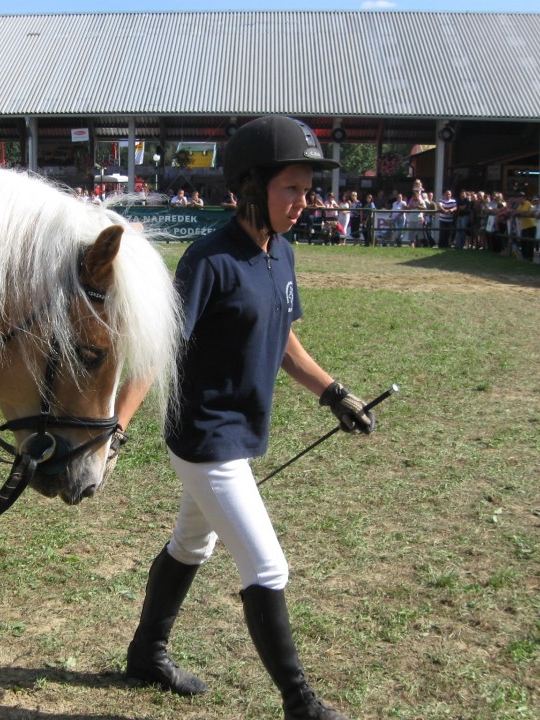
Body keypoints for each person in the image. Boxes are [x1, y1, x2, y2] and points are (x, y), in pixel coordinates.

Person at [114, 115, 376, 720]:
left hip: (240, 429)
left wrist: (334, 393)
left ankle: (145, 653)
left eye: (308, 189)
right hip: (207, 436)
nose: (304, 202)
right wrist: (118, 424)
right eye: (292, 188)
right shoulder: (208, 260)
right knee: (267, 565)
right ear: (251, 187)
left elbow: (285, 342)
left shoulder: (280, 253)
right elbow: (161, 348)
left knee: (191, 541)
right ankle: (301, 704)